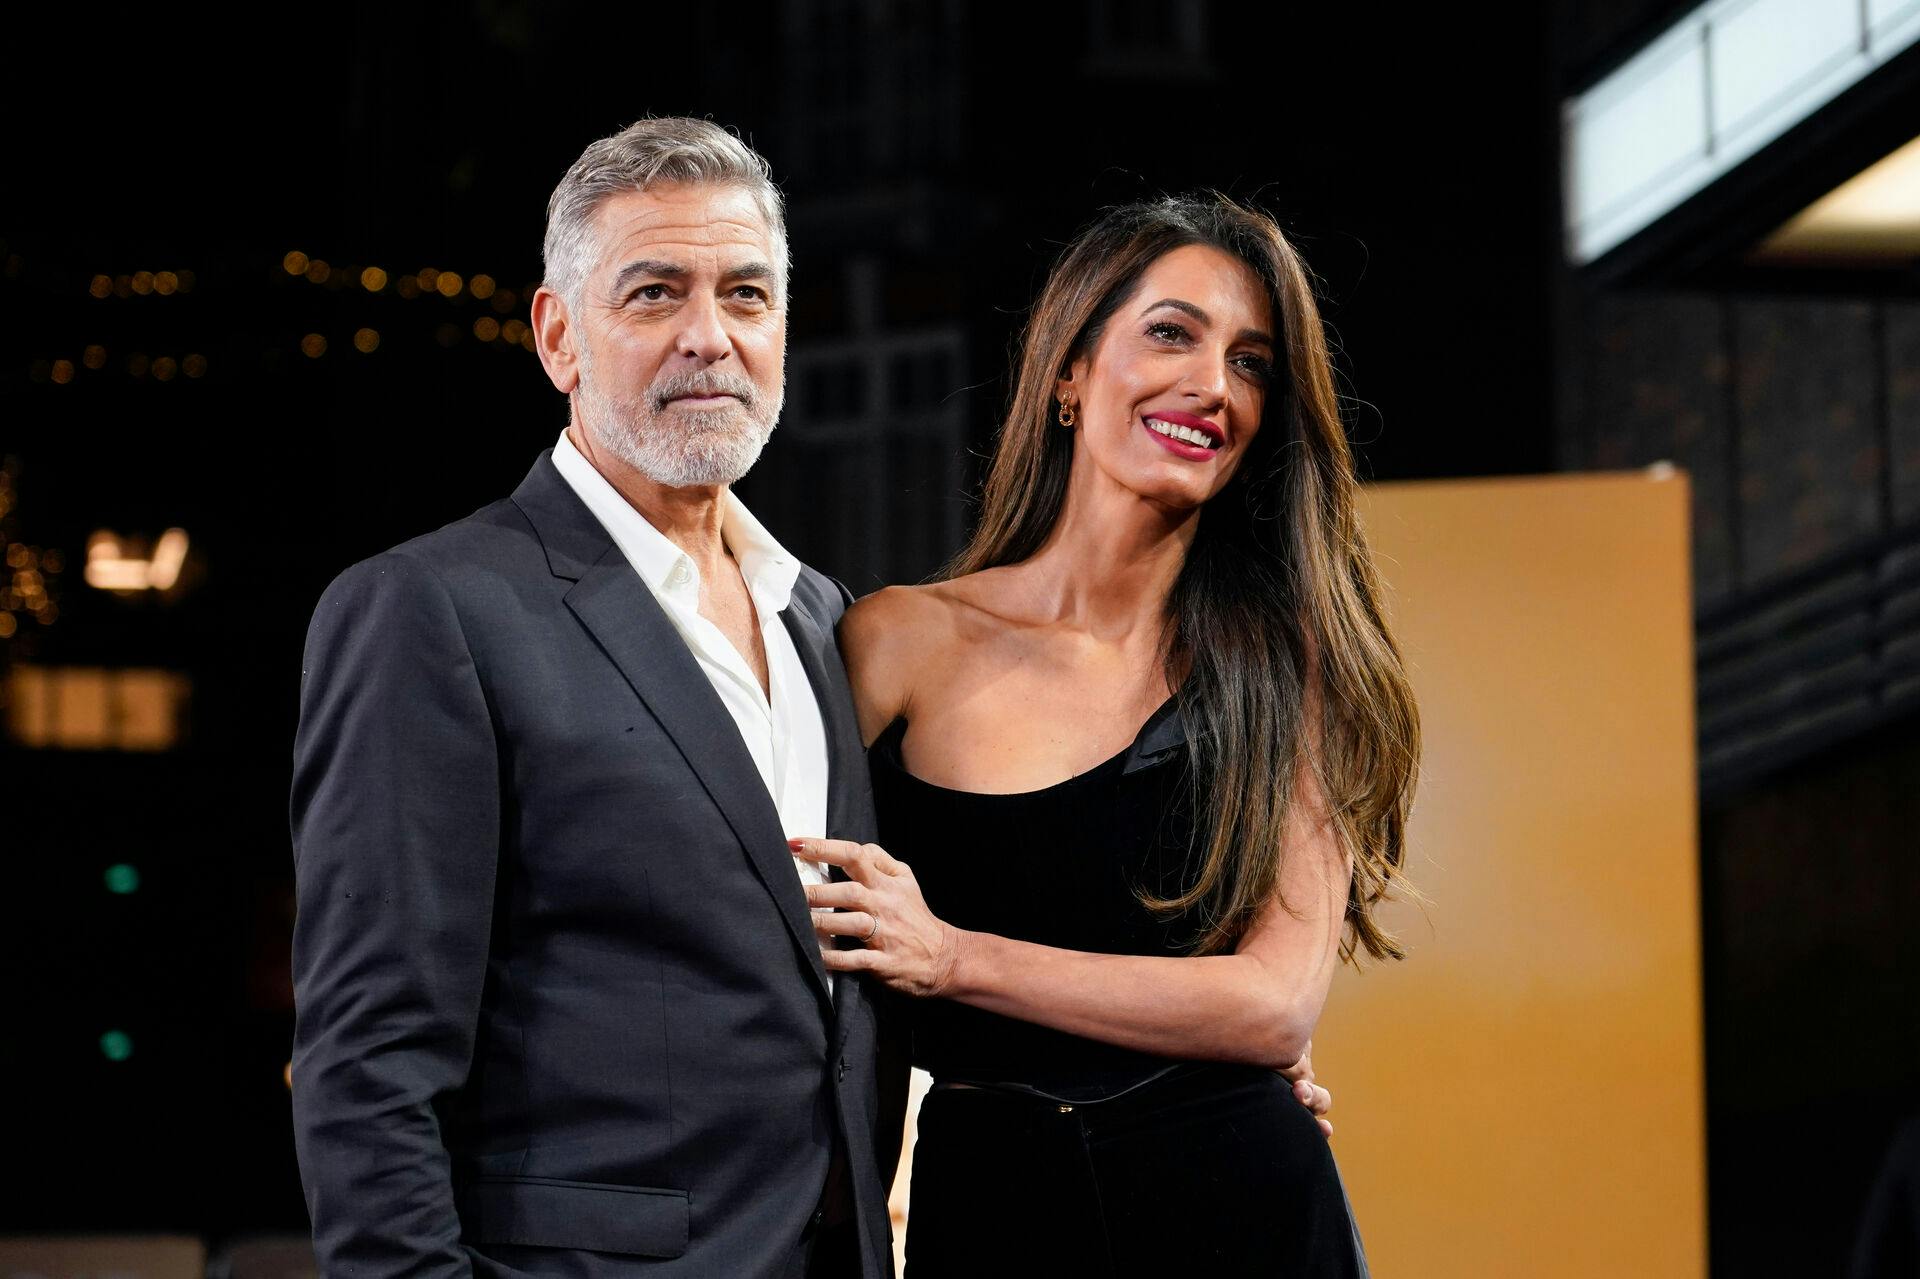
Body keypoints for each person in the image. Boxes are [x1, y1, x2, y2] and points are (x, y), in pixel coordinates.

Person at [289, 117, 903, 1279]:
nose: (708, 339)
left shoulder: (821, 616)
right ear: (558, 336)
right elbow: (369, 1064)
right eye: (656, 294)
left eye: (747, 296)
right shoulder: (430, 610)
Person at [790, 194, 1418, 1276]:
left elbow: (1272, 1006)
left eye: (1252, 362)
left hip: (1241, 1202)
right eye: (1172, 332)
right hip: (989, 1206)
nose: (1213, 385)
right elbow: (831, 985)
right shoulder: (896, 641)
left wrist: (952, 957)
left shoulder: (1279, 659)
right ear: (1070, 373)